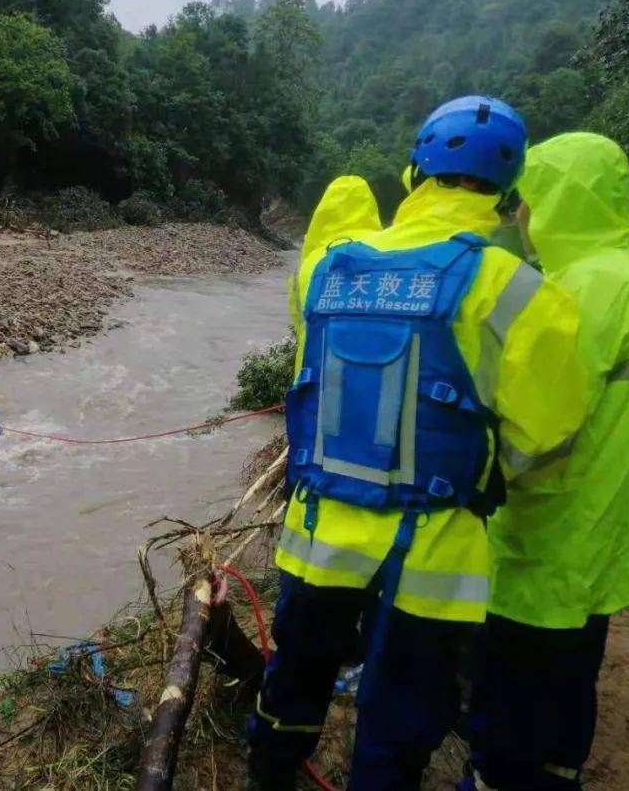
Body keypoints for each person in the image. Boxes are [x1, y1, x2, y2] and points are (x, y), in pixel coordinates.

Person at [247, 96, 590, 791]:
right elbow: (550, 434)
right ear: (508, 193)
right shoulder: (514, 289)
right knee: (398, 720)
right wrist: (487, 476)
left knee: (294, 683)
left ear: (413, 172)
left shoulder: (326, 268)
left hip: (317, 534)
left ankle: (268, 777)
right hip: (433, 554)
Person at [464, 133, 629, 791]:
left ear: (563, 201)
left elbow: (539, 430)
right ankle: (561, 770)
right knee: (574, 666)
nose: (522, 215)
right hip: (609, 513)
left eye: (530, 200)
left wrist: (473, 482)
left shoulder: (582, 290)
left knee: (511, 677)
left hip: (553, 526)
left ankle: (498, 778)